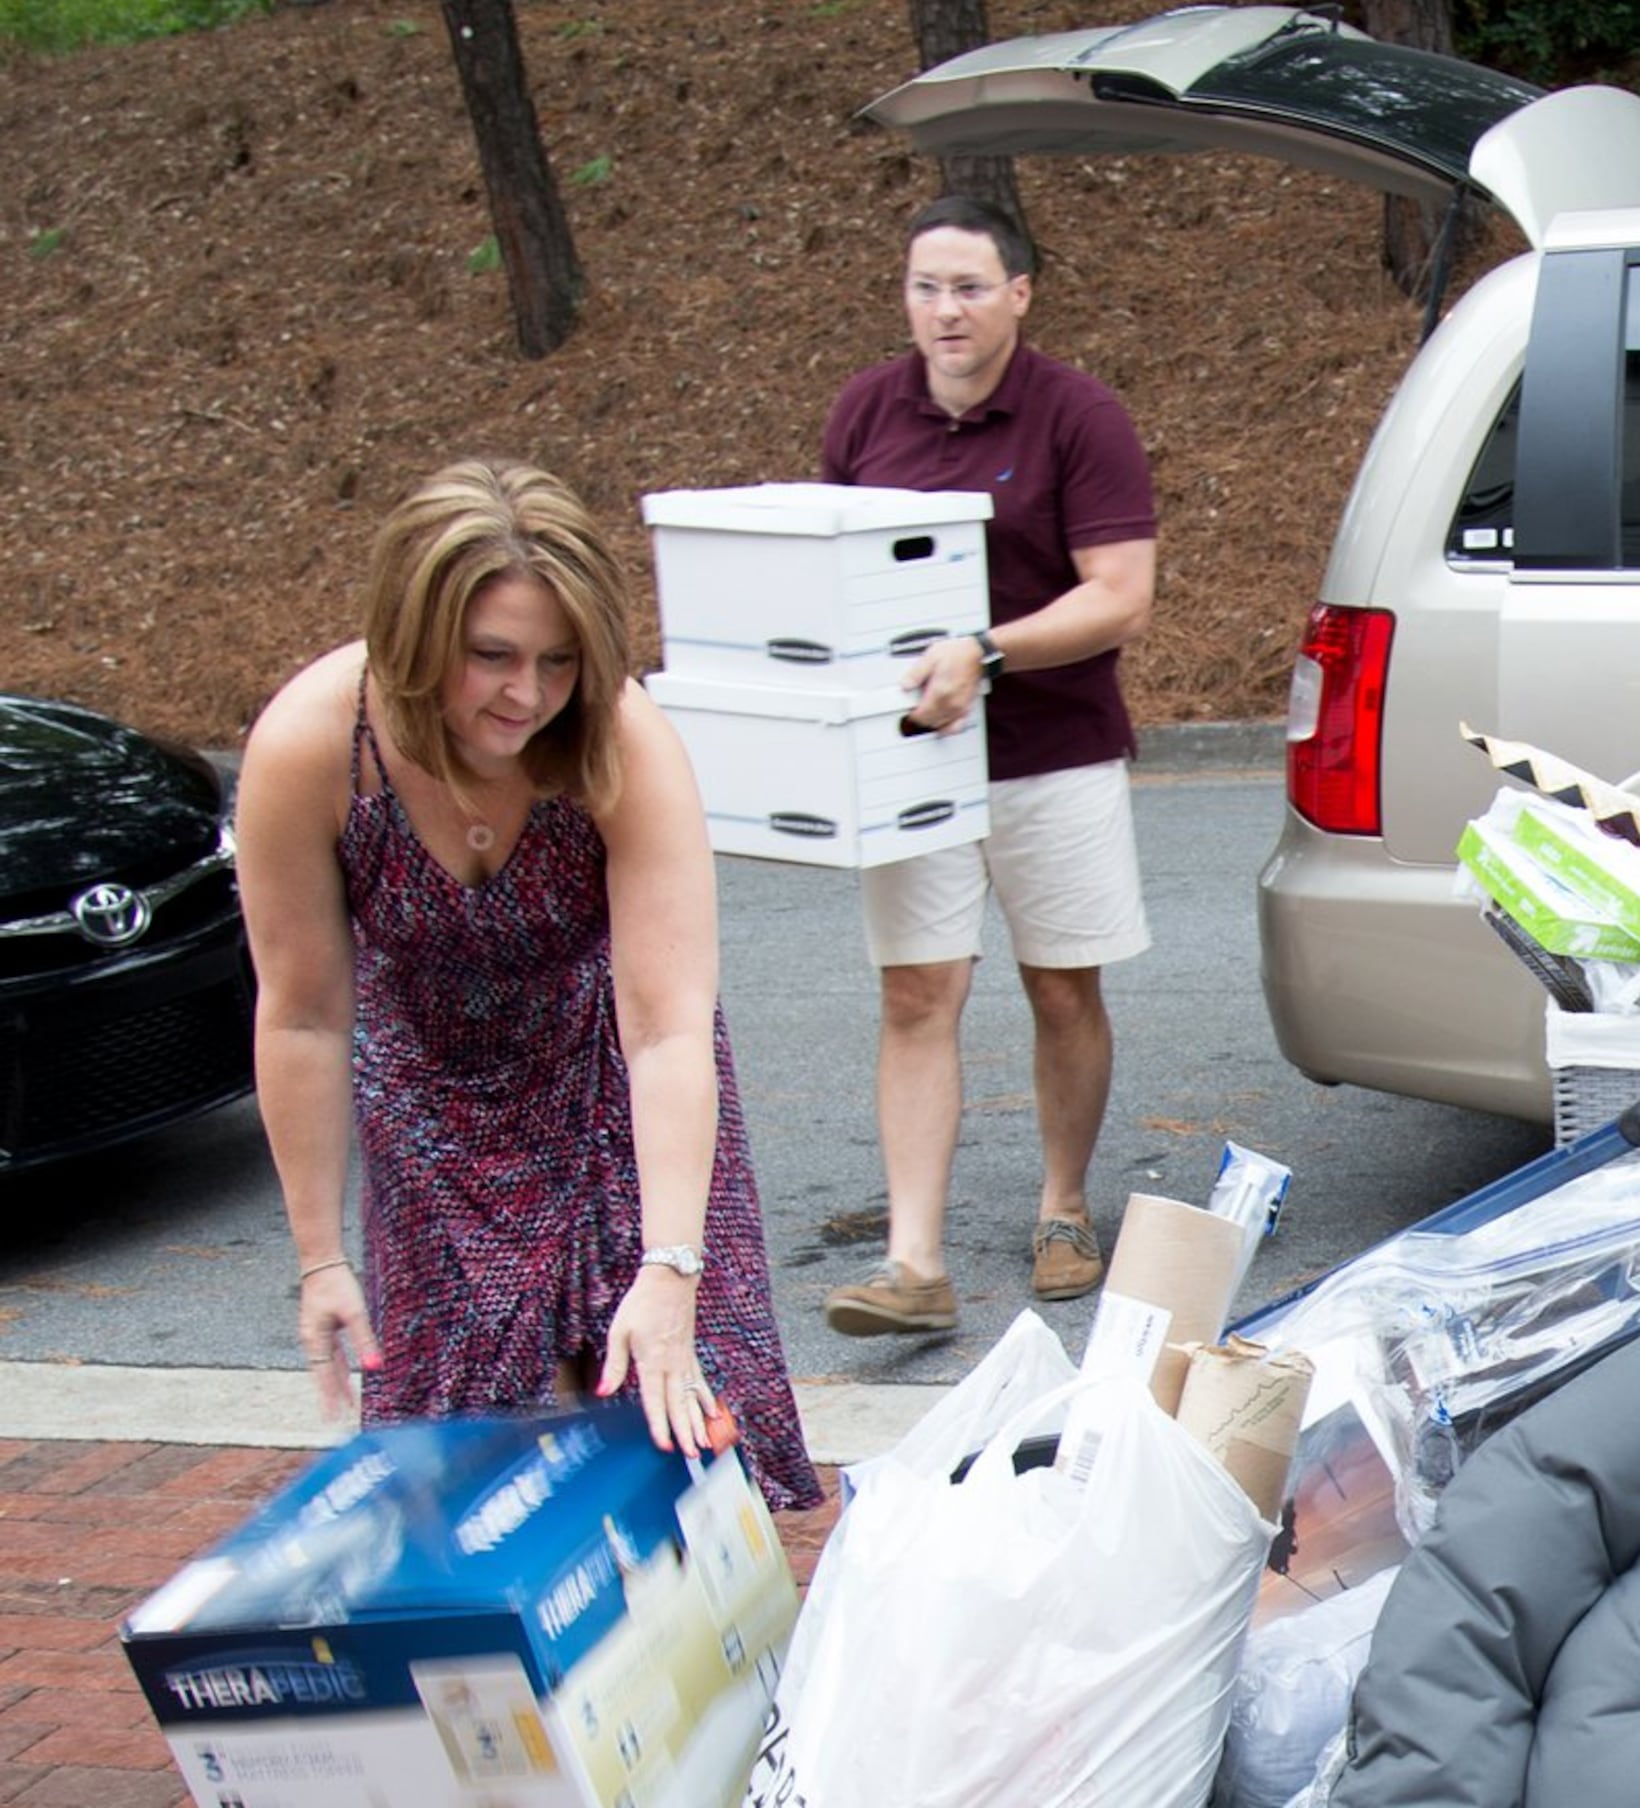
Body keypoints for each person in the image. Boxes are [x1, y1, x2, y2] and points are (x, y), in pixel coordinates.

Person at [242, 459, 819, 1509]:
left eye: (557, 661)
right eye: (492, 657)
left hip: (612, 1073)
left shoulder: (617, 738)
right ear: (416, 637)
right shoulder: (314, 748)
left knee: (670, 1426)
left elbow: (667, 1027)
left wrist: (671, 1266)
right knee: (474, 1464)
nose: (528, 694)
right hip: (430, 1099)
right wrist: (321, 1258)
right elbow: (306, 1018)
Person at [821, 195, 1159, 1338]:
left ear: (1020, 293)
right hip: (912, 762)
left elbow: (1119, 595)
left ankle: (1063, 1204)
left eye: (969, 287)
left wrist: (989, 652)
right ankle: (913, 1262)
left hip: (1050, 751)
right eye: (926, 286)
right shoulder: (868, 412)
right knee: (917, 991)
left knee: (1062, 986)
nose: (945, 309)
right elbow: (838, 577)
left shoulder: (1079, 417)